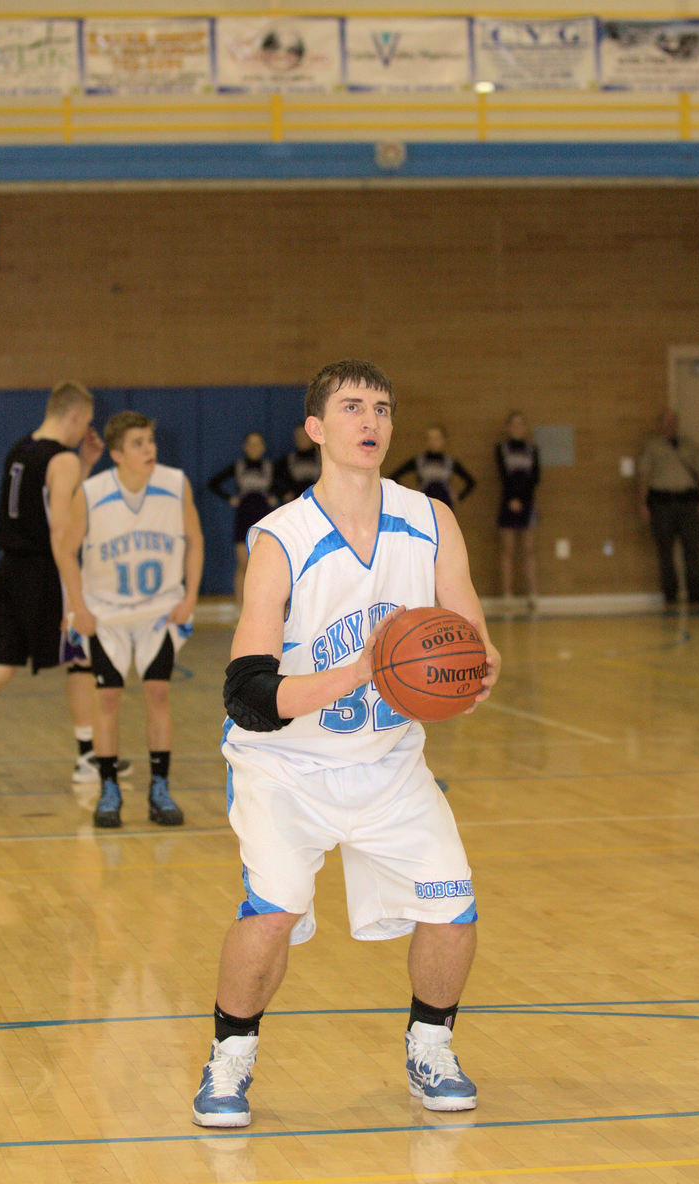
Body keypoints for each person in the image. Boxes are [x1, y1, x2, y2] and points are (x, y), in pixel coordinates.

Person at [191, 359, 500, 1129]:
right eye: (354, 407)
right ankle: (228, 1061)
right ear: (317, 429)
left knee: (453, 907)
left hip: (388, 763)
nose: (372, 421)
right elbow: (250, 695)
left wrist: (474, 668)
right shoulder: (282, 540)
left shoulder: (430, 519)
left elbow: (467, 634)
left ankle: (430, 1045)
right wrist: (360, 670)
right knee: (273, 909)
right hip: (284, 766)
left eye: (383, 409)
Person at [0, 380, 118, 795]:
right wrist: (75, 597)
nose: (85, 428)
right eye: (85, 421)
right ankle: (88, 755)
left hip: (9, 569)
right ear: (73, 416)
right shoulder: (61, 460)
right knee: (81, 657)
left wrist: (86, 463)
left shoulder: (21, 449)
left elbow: (46, 500)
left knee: (1, 661)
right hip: (43, 572)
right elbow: (59, 528)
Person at [54, 410, 204, 829]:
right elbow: (66, 552)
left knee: (157, 692)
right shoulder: (91, 492)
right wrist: (79, 608)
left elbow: (195, 540)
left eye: (150, 441)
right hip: (106, 612)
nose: (149, 449)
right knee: (108, 698)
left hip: (159, 610)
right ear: (117, 454)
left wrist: (190, 596)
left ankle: (160, 788)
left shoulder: (175, 484)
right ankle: (109, 788)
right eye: (138, 444)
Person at [639, 410, 699, 610]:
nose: (671, 426)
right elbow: (644, 477)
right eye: (667, 422)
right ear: (661, 424)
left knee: (692, 549)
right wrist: (642, 504)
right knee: (665, 551)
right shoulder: (652, 447)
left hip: (688, 502)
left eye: (673, 422)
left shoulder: (689, 446)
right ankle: (671, 594)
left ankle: (696, 593)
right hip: (662, 504)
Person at [208, 431, 277, 607]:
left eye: (258, 444)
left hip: (264, 517)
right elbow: (213, 483)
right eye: (251, 444)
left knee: (265, 565)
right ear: (245, 447)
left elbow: (292, 484)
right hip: (244, 517)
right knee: (243, 565)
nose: (254, 448)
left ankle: (264, 607)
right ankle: (239, 609)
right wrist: (230, 498)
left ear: (263, 447)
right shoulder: (238, 466)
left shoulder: (270, 467)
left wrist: (277, 495)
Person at [496, 411, 541, 607]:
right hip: (508, 502)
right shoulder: (502, 449)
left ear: (525, 427)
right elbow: (503, 476)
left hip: (527, 503)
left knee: (529, 550)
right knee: (507, 550)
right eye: (513, 424)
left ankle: (532, 594)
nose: (517, 428)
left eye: (520, 424)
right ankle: (507, 595)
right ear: (508, 427)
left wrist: (522, 500)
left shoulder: (532, 449)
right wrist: (512, 499)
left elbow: (535, 477)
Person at [391, 423, 476, 510]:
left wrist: (459, 497)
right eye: (430, 439)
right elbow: (394, 476)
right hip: (424, 507)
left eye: (436, 438)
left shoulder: (450, 462)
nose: (433, 442)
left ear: (443, 440)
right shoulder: (418, 461)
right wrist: (410, 496)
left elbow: (471, 482)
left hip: (445, 506)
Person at [274, 422, 321, 502]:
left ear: (311, 436)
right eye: (298, 436)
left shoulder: (323, 459)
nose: (301, 439)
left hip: (319, 502)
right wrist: (284, 493)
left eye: (304, 436)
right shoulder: (286, 461)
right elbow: (278, 483)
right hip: (296, 502)